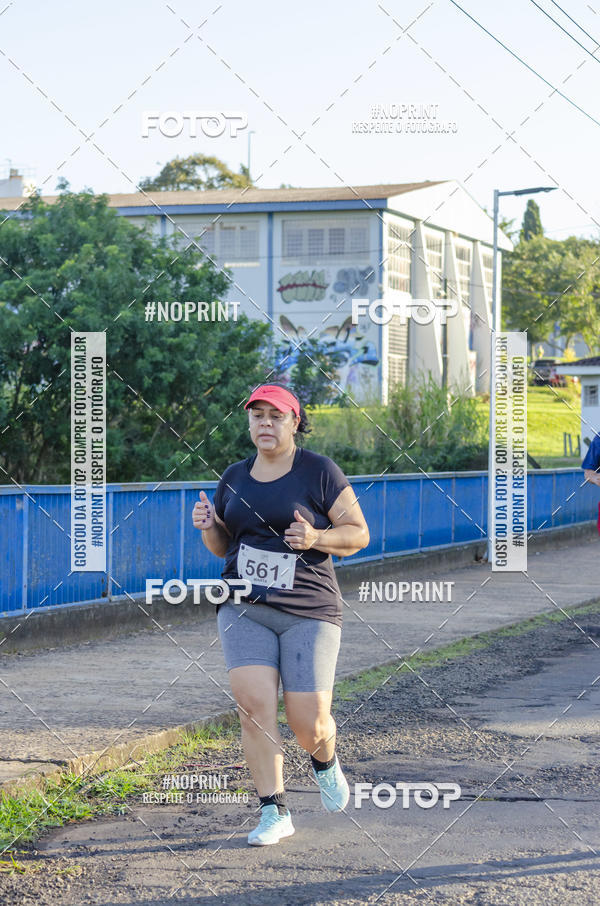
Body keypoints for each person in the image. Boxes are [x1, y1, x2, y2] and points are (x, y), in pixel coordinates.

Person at [192, 383, 369, 845]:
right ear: (249, 422)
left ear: (295, 422)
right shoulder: (234, 476)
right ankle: (274, 811)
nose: (265, 423)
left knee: (308, 723)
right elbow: (224, 547)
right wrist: (210, 527)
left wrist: (316, 538)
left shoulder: (320, 472)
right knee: (253, 709)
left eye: (276, 416)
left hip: (308, 609)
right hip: (244, 607)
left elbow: (358, 534)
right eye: (258, 416)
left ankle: (324, 761)